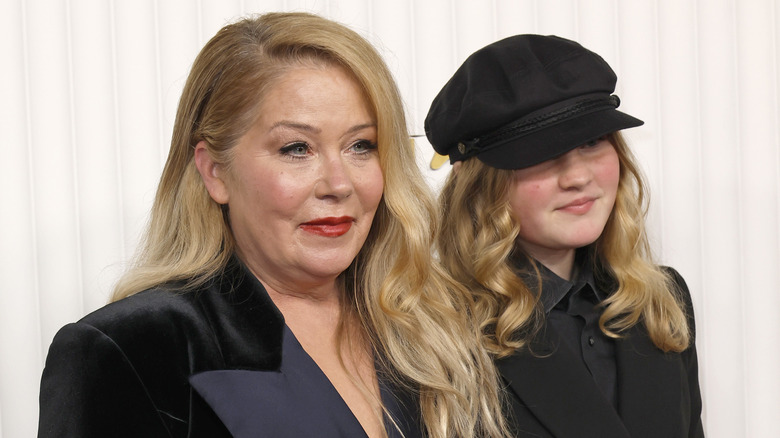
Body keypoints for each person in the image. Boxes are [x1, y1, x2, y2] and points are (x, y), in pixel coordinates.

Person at [38, 12, 508, 438]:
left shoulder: (433, 326)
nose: (339, 184)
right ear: (214, 171)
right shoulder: (132, 349)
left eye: (361, 145)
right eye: (296, 149)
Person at [425, 35, 704, 437]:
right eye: (541, 152)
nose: (577, 177)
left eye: (592, 141)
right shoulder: (433, 329)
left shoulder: (662, 302)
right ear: (483, 185)